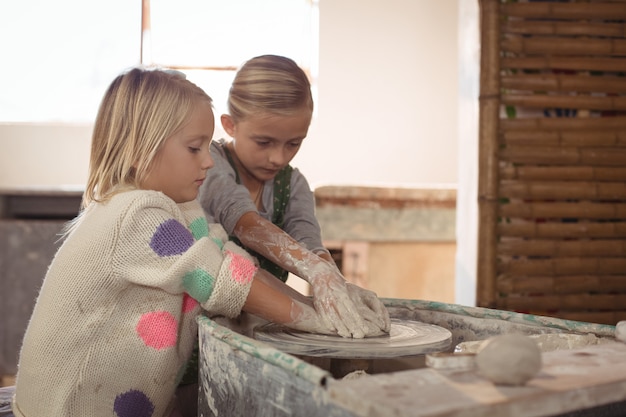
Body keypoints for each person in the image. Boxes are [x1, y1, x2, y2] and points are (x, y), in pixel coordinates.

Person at [11, 67, 335, 417]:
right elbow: (218, 278)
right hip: (66, 409)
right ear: (140, 149)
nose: (209, 161)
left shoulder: (180, 207)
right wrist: (318, 324)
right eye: (195, 148)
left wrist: (319, 304)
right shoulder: (132, 213)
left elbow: (229, 260)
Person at [198, 54, 391, 339]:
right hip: (202, 325)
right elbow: (245, 222)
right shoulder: (209, 164)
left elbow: (308, 239)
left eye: (293, 143)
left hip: (261, 326)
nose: (278, 157)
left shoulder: (294, 184)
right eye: (264, 142)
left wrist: (335, 280)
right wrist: (315, 270)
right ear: (230, 125)